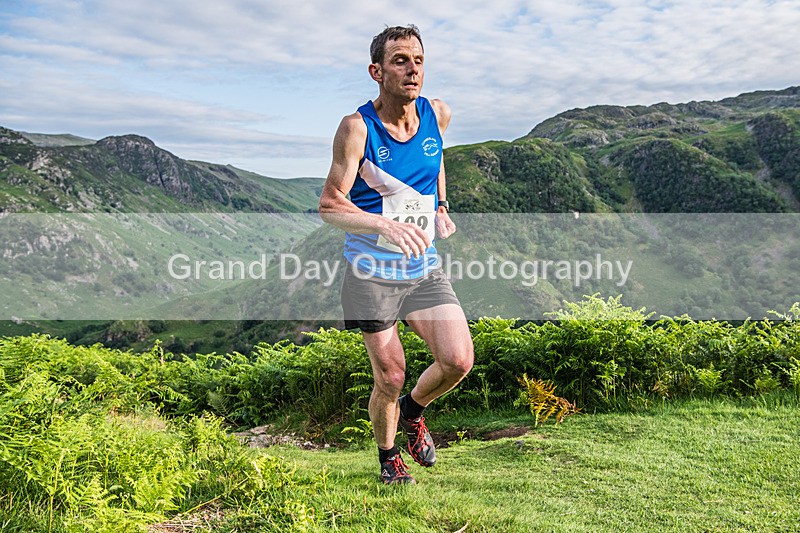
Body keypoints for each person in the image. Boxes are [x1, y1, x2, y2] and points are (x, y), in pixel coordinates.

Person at [318, 24, 474, 485]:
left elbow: (437, 159)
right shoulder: (357, 128)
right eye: (401, 60)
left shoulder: (437, 114)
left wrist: (440, 205)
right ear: (377, 70)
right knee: (390, 375)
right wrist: (385, 223)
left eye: (419, 61)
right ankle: (389, 460)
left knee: (458, 360)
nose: (412, 70)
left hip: (423, 267)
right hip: (370, 274)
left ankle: (414, 411)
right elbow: (330, 204)